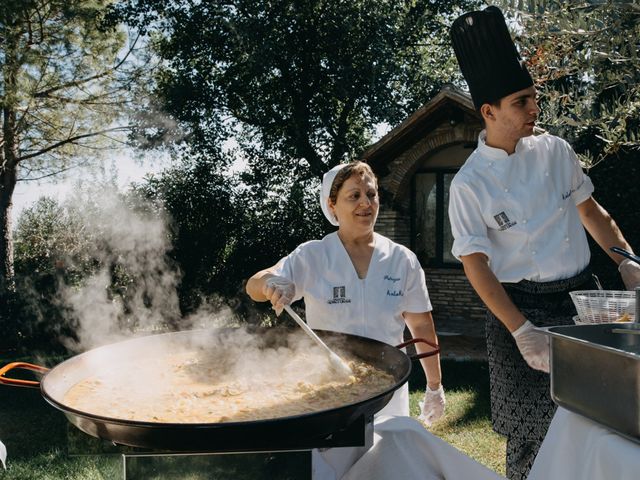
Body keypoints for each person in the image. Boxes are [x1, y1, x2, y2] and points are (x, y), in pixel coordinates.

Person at [448, 6, 640, 480]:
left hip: (579, 299)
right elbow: (477, 266)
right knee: (531, 431)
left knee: (596, 419)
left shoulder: (556, 151)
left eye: (534, 98)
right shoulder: (469, 183)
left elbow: (591, 213)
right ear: (489, 112)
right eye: (522, 102)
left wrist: (627, 260)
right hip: (518, 310)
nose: (535, 109)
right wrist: (521, 330)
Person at [246, 160, 445, 479]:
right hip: (328, 395)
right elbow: (255, 284)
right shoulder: (313, 256)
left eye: (372, 194)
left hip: (387, 393)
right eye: (354, 196)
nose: (366, 203)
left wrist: (435, 386)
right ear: (332, 205)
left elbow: (421, 326)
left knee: (387, 471)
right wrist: (272, 283)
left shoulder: (401, 260)